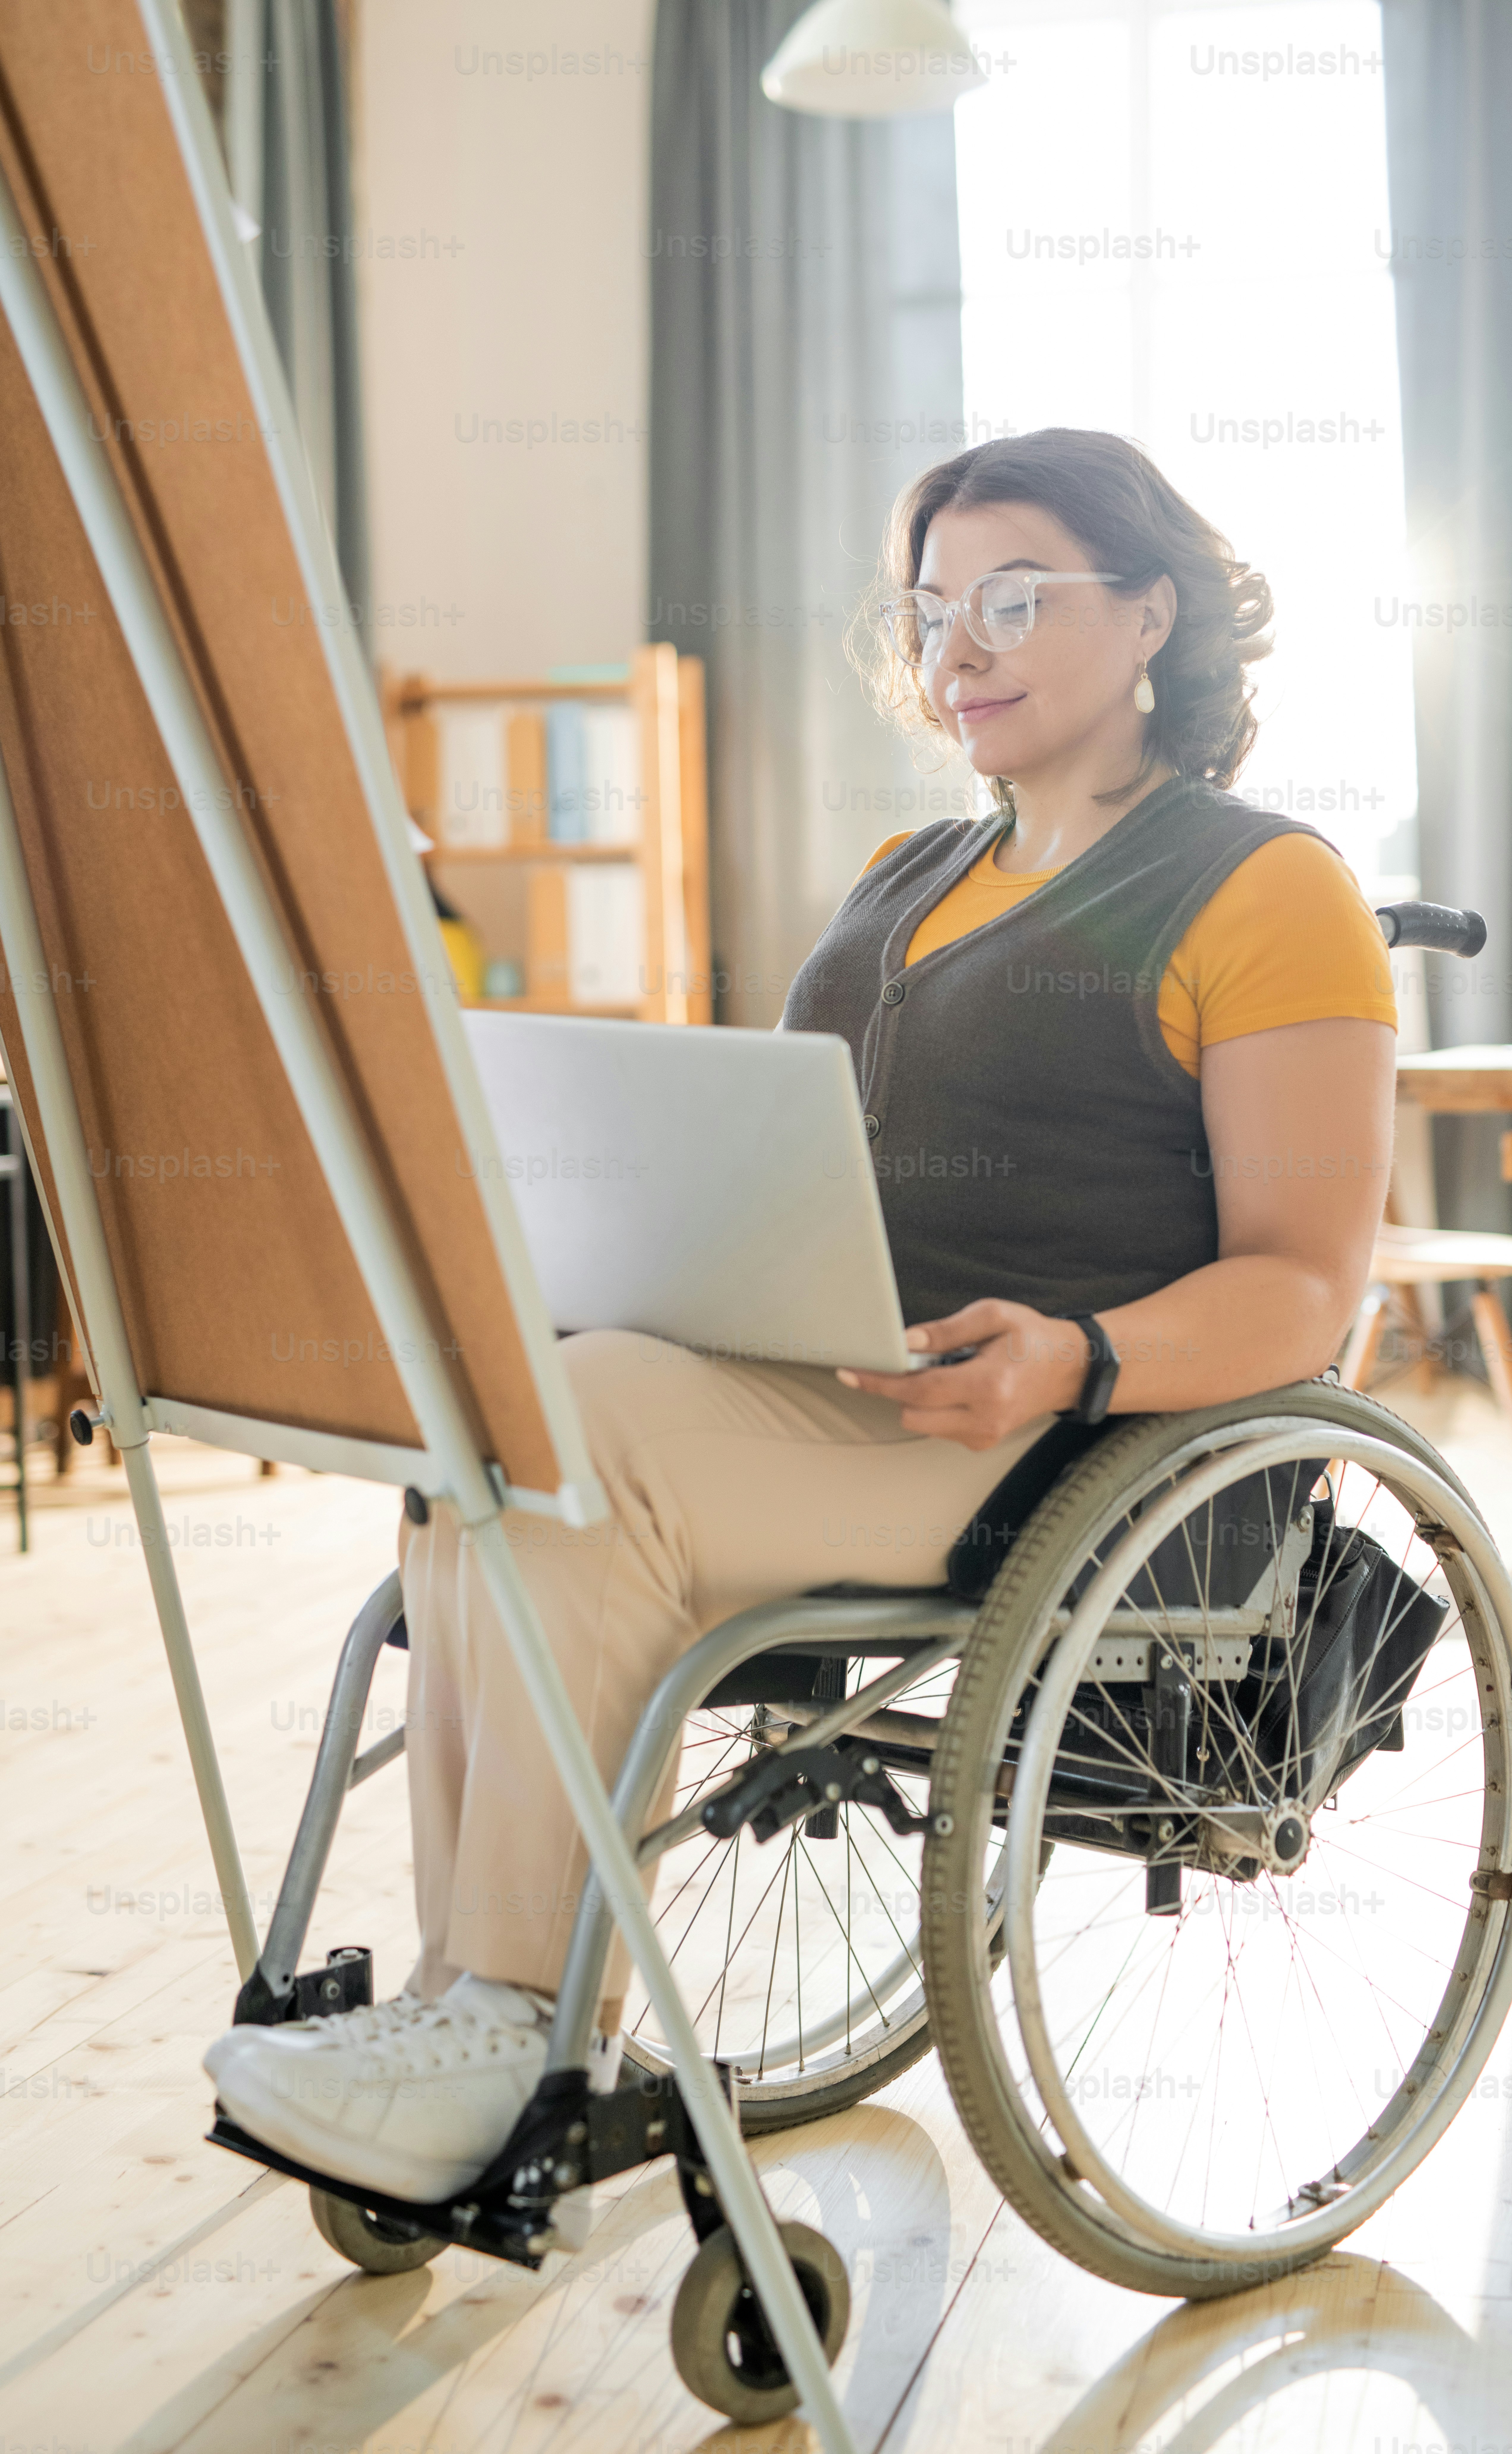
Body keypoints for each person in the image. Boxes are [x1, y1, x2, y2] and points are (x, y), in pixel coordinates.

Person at [204, 429, 1397, 2203]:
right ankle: (470, 2000)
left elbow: (1309, 1287)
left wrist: (1080, 1353)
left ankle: (515, 2017)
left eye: (1012, 601)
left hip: (1074, 1443)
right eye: (931, 612)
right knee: (498, 1410)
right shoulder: (909, 875)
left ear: (1151, 615)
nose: (957, 651)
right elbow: (775, 1172)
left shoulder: (1263, 886)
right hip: (832, 1393)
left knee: (585, 1432)